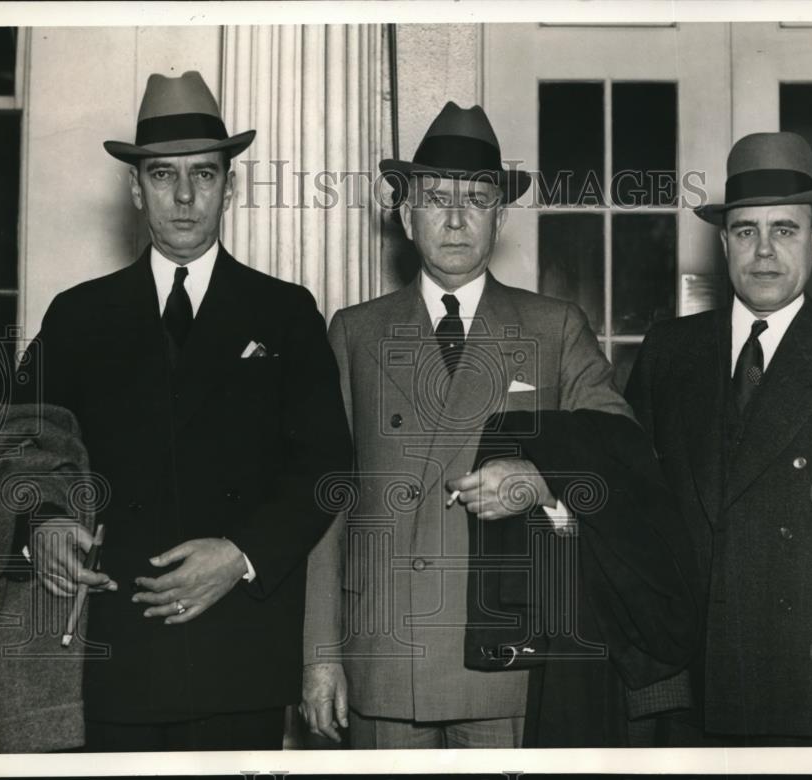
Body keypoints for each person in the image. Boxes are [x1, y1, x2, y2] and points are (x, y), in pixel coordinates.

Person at [298, 102, 697, 749]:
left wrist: (543, 478)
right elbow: (328, 501)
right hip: (382, 653)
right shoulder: (356, 330)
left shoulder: (553, 326)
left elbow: (626, 454)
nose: (455, 218)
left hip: (509, 649)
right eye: (435, 198)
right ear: (405, 214)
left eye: (476, 198)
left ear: (499, 216)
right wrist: (320, 654)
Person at [16, 71, 351, 751]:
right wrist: (42, 523)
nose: (186, 195)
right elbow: (25, 443)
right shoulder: (79, 315)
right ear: (135, 188)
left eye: (206, 173)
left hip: (241, 655)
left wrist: (242, 555)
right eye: (164, 175)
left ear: (232, 184)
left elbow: (329, 467)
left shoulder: (285, 313)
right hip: (111, 649)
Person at [625, 131, 812, 747]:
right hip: (687, 686)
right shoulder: (669, 353)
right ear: (724, 242)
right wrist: (647, 678)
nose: (763, 251)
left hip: (811, 686)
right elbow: (634, 523)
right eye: (745, 231)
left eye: (784, 230)